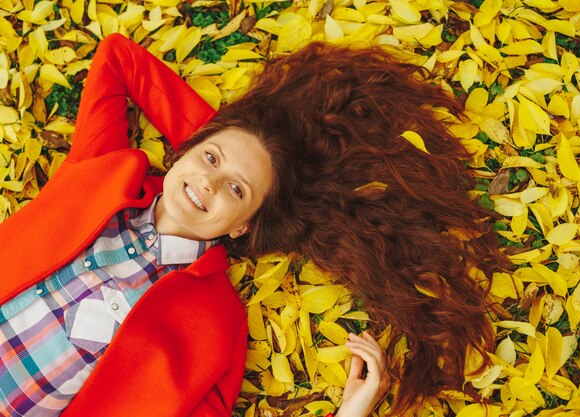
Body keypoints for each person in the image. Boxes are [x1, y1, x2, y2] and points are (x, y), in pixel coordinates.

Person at [0, 31, 504, 416]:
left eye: (237, 191)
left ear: (243, 226)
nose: (212, 186)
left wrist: (350, 411)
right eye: (211, 160)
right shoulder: (102, 170)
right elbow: (116, 57)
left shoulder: (216, 323)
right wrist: (217, 150)